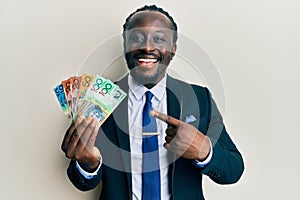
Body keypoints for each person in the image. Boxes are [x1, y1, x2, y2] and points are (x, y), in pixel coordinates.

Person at [61, 5, 244, 200]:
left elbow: (233, 171)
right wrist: (88, 165)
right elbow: (81, 182)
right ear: (125, 45)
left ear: (172, 50)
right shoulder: (98, 99)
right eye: (137, 38)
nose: (147, 47)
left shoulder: (199, 98)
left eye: (159, 39)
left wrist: (204, 151)